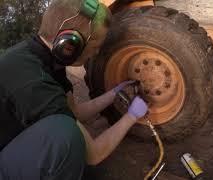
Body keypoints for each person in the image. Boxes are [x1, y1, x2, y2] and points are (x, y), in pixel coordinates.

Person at [0, 0, 148, 179]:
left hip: (12, 140)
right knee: (66, 135)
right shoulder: (34, 84)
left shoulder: (47, 57)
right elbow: (94, 154)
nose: (96, 54)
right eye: (96, 47)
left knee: (71, 130)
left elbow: (76, 112)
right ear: (70, 44)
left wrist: (114, 93)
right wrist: (132, 116)